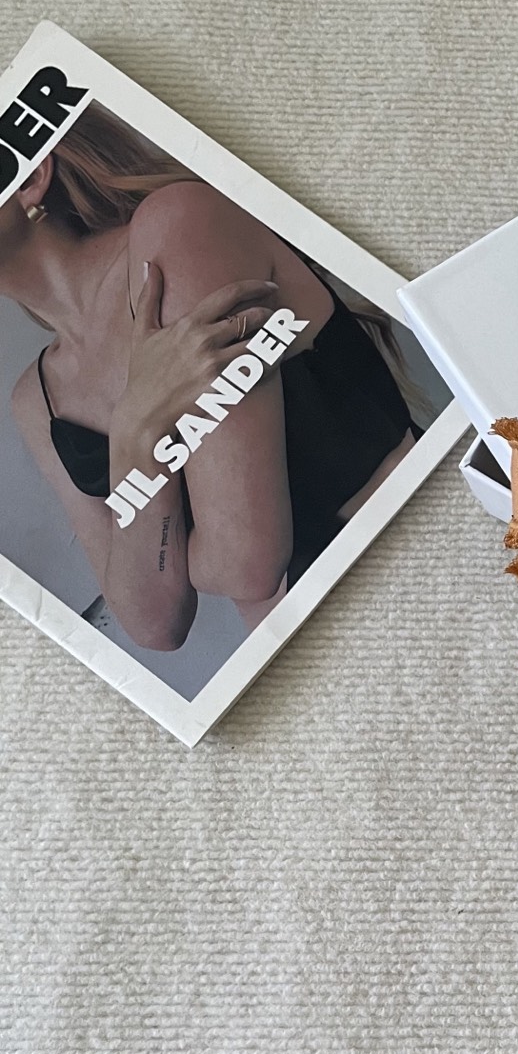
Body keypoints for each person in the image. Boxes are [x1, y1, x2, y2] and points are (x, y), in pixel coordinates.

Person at [3, 104, 419, 651]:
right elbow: (153, 625)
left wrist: (148, 548)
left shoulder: (178, 227)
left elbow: (245, 564)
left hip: (419, 575)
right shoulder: (37, 399)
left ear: (29, 177)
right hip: (311, 658)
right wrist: (134, 433)